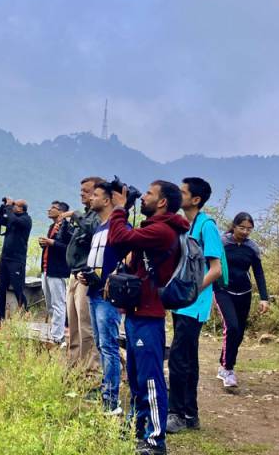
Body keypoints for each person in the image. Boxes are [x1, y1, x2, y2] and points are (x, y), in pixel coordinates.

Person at [108, 181, 190, 455]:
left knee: (151, 379)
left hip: (149, 317)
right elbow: (120, 246)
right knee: (135, 377)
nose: (143, 197)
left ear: (163, 202)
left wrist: (119, 209)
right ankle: (137, 429)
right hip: (136, 314)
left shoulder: (162, 231)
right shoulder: (152, 228)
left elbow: (119, 238)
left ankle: (155, 441)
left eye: (149, 194)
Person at [166, 177, 225, 434]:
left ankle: (177, 413)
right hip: (181, 303)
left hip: (194, 303)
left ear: (196, 199)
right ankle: (190, 414)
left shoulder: (206, 226)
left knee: (179, 358)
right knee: (187, 357)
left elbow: (216, 269)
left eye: (182, 192)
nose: (178, 195)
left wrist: (192, 290)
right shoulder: (186, 225)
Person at [80, 182, 127, 414]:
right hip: (93, 291)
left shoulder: (118, 227)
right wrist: (86, 274)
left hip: (109, 297)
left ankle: (111, 400)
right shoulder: (99, 228)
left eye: (96, 195)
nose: (91, 198)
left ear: (107, 200)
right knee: (101, 345)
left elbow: (128, 257)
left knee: (108, 347)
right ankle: (105, 388)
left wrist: (113, 280)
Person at [215, 212, 269, 388]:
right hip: (223, 291)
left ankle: (224, 363)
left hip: (244, 292)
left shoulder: (252, 247)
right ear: (234, 226)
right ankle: (228, 370)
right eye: (242, 228)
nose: (245, 232)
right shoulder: (222, 243)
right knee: (231, 327)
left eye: (249, 229)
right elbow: (210, 265)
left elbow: (258, 272)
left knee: (238, 332)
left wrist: (264, 298)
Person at [62, 176, 104, 370]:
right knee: (73, 326)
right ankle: (74, 365)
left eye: (87, 192)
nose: (83, 195)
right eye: (82, 191)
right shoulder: (87, 215)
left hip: (86, 276)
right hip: (74, 273)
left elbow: (94, 230)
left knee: (85, 325)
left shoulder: (99, 217)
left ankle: (90, 369)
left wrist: (75, 215)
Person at [38, 200, 73, 344]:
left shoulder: (67, 227)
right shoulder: (52, 226)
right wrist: (44, 244)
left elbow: (69, 248)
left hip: (58, 271)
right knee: (50, 304)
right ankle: (55, 332)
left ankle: (58, 337)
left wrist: (52, 243)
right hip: (47, 269)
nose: (49, 209)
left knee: (58, 303)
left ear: (61, 212)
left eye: (53, 208)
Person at [0, 197, 32, 321]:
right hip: (5, 258)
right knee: (1, 288)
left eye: (15, 205)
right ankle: (0, 317)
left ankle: (25, 313)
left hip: (16, 260)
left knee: (17, 288)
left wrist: (9, 207)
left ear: (21, 209)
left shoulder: (26, 219)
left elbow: (13, 220)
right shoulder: (12, 216)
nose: (13, 206)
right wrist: (3, 207)